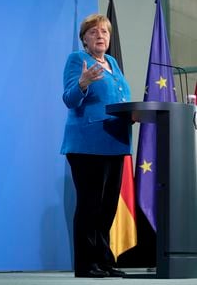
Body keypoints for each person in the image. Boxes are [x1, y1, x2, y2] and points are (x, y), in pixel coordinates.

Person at [60, 14, 131, 278]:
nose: (100, 35)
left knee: (108, 206)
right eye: (93, 32)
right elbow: (69, 99)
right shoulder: (77, 60)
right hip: (87, 145)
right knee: (90, 204)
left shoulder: (112, 62)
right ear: (84, 38)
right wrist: (83, 82)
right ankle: (85, 264)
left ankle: (103, 260)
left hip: (115, 142)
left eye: (104, 32)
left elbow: (120, 98)